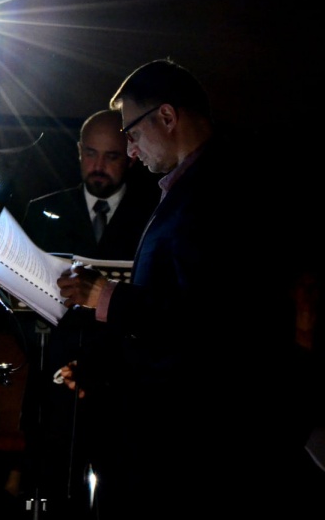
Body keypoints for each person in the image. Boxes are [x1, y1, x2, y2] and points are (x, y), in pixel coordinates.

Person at [54, 58, 323, 519]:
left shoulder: (229, 187)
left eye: (131, 135)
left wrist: (107, 297)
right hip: (185, 430)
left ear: (166, 116)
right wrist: (105, 364)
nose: (131, 152)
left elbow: (216, 320)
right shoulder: (196, 182)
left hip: (207, 439)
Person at [16, 109, 160, 519]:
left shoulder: (152, 213)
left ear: (131, 156)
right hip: (56, 379)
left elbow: (155, 306)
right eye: (91, 154)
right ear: (78, 152)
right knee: (50, 491)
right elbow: (22, 307)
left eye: (111, 156)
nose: (98, 166)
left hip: (124, 381)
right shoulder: (44, 210)